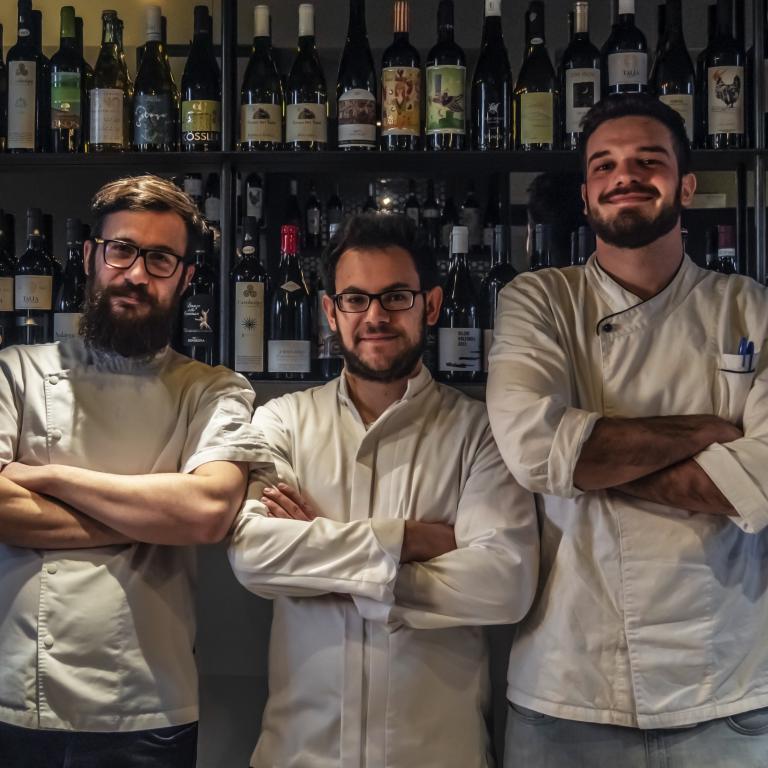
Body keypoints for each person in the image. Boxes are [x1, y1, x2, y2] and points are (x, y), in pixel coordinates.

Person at [487, 93, 768, 767]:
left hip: (721, 684)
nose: (626, 175)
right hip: (569, 683)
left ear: (687, 185)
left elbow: (761, 483)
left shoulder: (751, 308)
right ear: (586, 196)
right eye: (605, 164)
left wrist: (589, 459)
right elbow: (534, 451)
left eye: (649, 159)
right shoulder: (539, 301)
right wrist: (707, 433)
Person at [228, 214, 538, 768]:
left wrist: (322, 556)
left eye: (396, 296)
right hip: (299, 755)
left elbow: (504, 583)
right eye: (355, 299)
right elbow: (254, 558)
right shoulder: (282, 422)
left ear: (432, 305)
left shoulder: (482, 431)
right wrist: (412, 539)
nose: (375, 316)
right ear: (331, 312)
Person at [0, 175, 264, 767]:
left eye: (161, 259)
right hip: (18, 699)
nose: (137, 273)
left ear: (186, 277)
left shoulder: (213, 389)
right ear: (93, 256)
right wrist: (154, 518)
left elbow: (208, 511)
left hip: (148, 704)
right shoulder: (16, 370)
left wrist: (48, 477)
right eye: (122, 249)